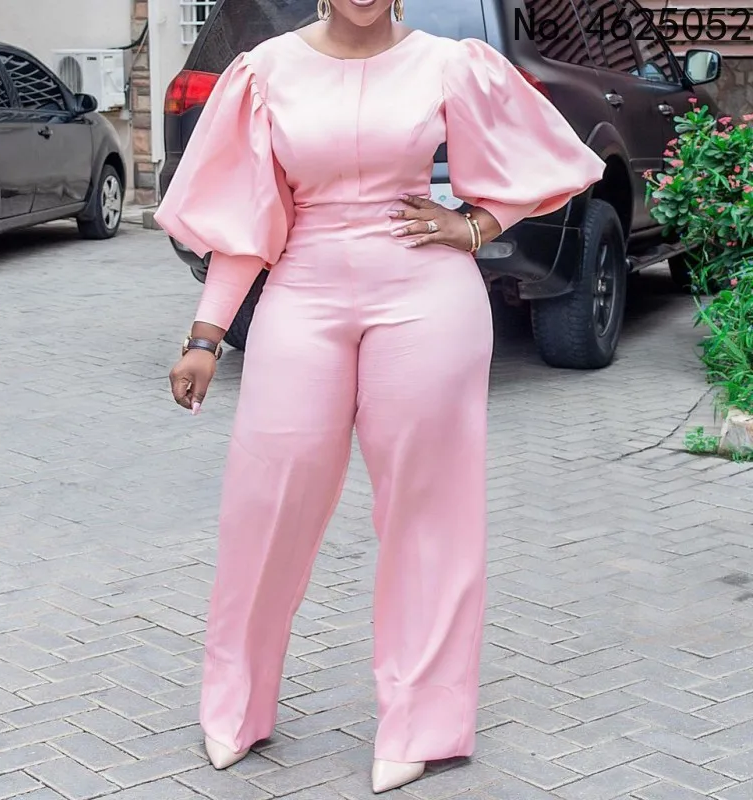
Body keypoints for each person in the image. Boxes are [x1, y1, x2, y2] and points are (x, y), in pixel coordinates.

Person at [155, 0, 606, 793]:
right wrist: (205, 335)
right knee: (266, 504)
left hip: (425, 296)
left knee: (429, 513)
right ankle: (235, 705)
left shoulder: (449, 63)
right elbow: (248, 217)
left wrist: (477, 225)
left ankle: (422, 723)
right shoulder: (264, 72)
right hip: (302, 293)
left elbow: (542, 157)